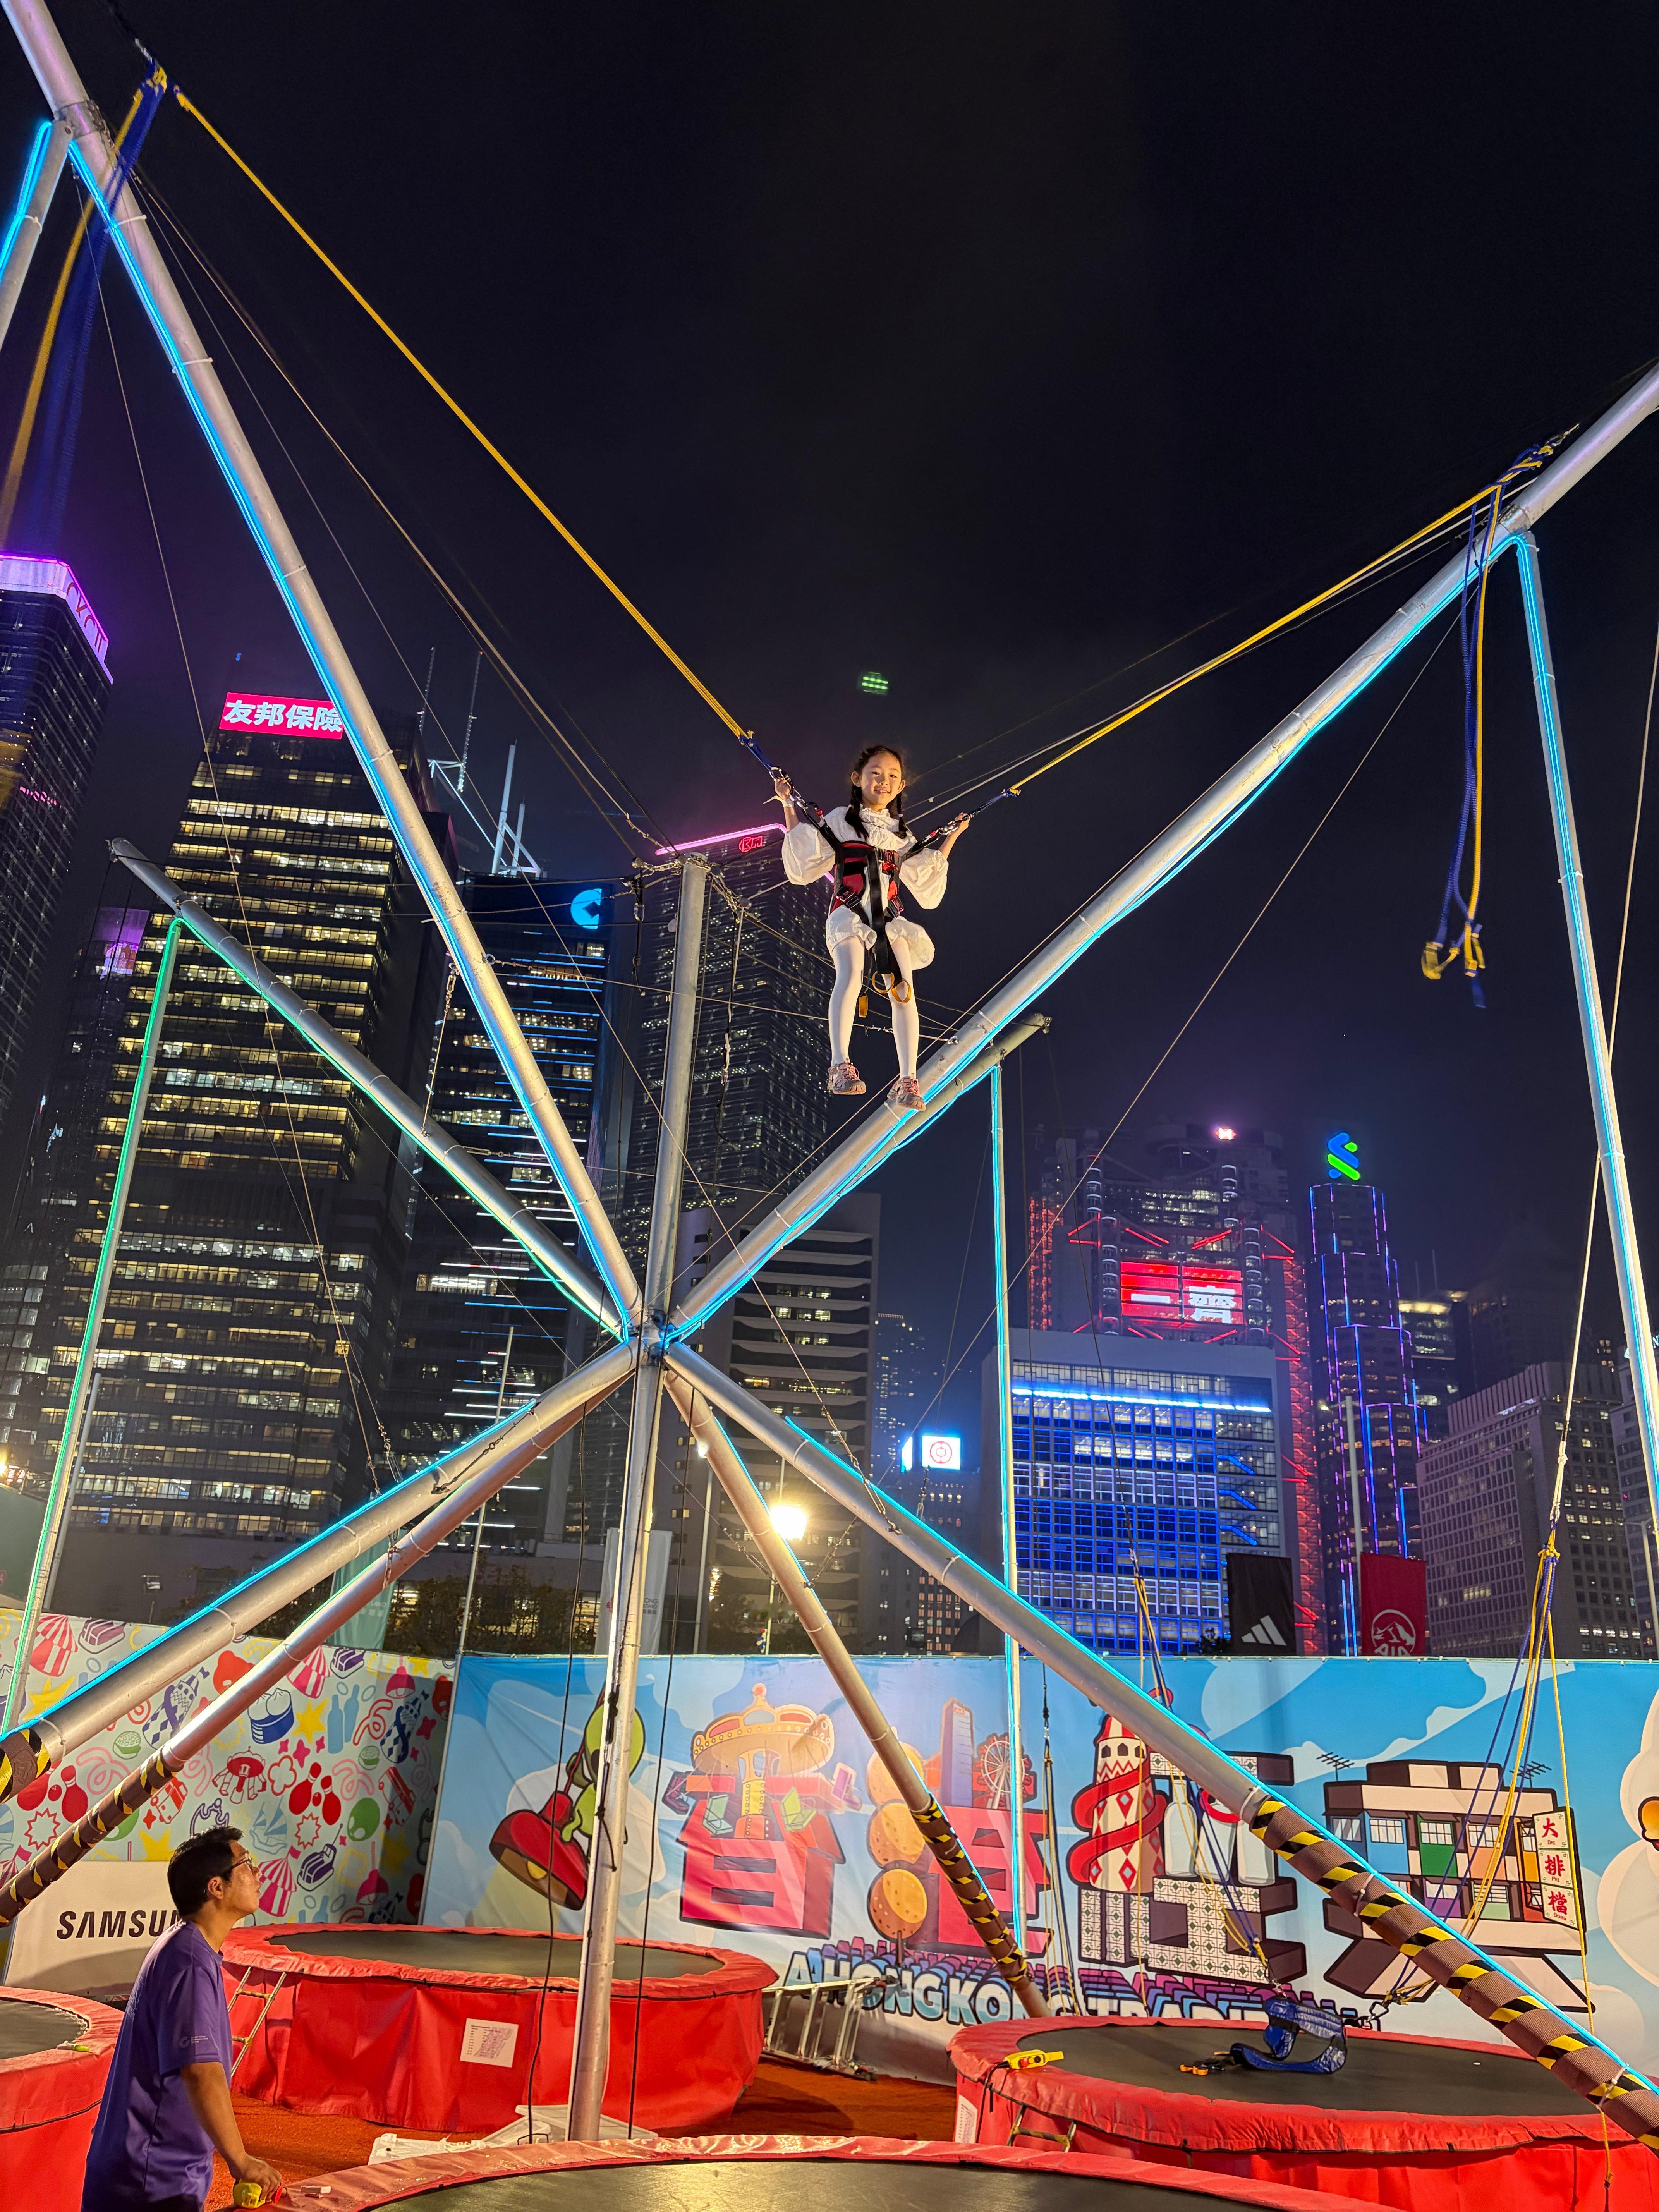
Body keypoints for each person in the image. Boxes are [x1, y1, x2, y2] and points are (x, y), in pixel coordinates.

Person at [81, 1826, 283, 2211]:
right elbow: (200, 2073)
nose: (257, 1873)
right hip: (150, 2179)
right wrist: (241, 2162)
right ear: (216, 1887)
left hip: (157, 2170)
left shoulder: (191, 1949)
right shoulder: (188, 1961)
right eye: (246, 1864)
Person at [775, 744, 970, 1106]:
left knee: (904, 991)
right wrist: (788, 803)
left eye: (893, 776)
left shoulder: (902, 835)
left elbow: (925, 878)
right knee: (851, 976)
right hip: (848, 914)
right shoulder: (840, 821)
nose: (884, 781)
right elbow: (804, 859)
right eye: (876, 773)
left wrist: (953, 836)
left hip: (891, 920)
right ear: (858, 779)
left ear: (901, 786)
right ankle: (840, 1065)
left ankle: (908, 1079)